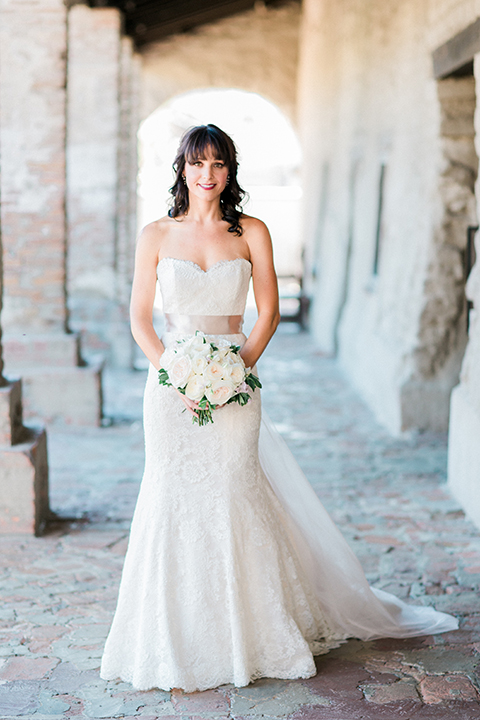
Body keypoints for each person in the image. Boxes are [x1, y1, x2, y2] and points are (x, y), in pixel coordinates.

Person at [100, 124, 457, 693]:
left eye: (218, 164)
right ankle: (177, 635)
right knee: (172, 496)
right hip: (169, 391)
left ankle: (255, 633)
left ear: (229, 170)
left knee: (235, 490)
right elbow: (140, 318)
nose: (207, 174)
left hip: (236, 382)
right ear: (182, 169)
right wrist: (173, 373)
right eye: (197, 164)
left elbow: (266, 313)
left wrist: (235, 368)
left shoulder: (253, 233)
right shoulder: (156, 235)